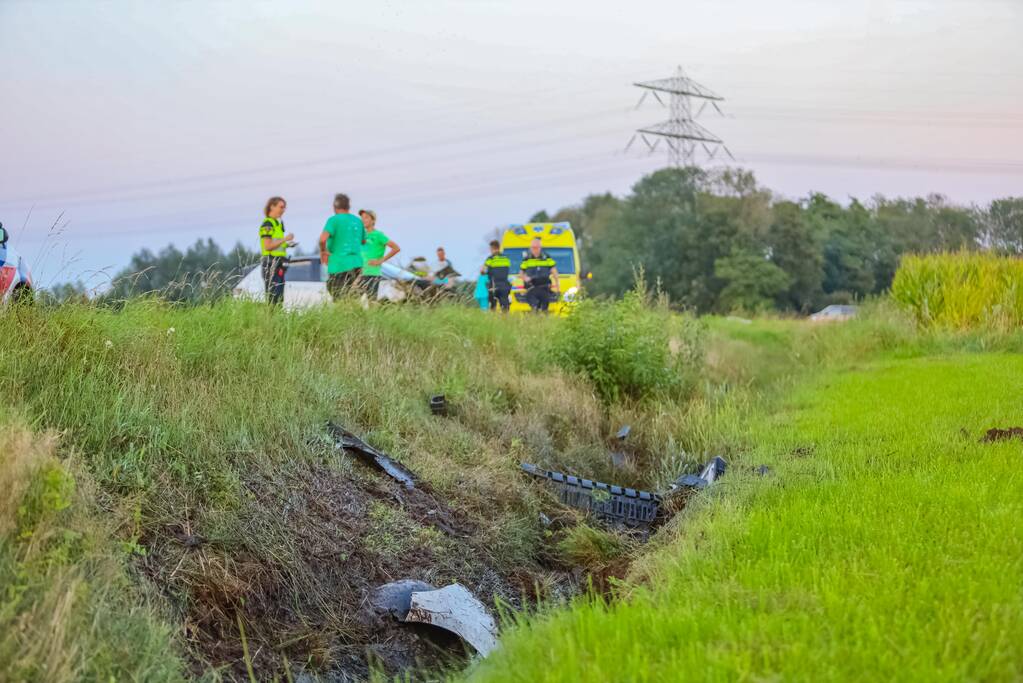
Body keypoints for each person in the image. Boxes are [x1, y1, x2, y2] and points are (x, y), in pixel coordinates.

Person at [319, 193, 365, 301]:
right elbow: (363, 241)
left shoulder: (334, 220)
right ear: (348, 206)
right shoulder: (358, 221)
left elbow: (322, 239)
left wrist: (323, 252)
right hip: (357, 265)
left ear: (335, 206)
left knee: (339, 298)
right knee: (352, 300)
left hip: (339, 265)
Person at [259, 196, 294, 306]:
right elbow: (267, 246)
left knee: (279, 299)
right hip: (270, 264)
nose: (283, 210)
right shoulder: (268, 224)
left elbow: (277, 244)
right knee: (273, 298)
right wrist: (285, 239)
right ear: (272, 206)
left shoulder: (278, 224)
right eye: (281, 207)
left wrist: (286, 244)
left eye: (284, 208)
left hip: (279, 264)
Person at [358, 209, 400, 299]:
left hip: (372, 274)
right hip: (359, 274)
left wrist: (381, 260)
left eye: (366, 217)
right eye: (362, 218)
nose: (363, 220)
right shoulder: (361, 235)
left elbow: (396, 248)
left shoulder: (378, 235)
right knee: (352, 299)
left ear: (373, 220)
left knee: (371, 301)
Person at [519, 237, 559, 313]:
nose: (534, 249)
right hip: (532, 288)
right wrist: (525, 278)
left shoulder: (547, 257)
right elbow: (521, 273)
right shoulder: (527, 259)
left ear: (540, 248)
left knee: (545, 309)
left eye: (536, 247)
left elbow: (554, 272)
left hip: (544, 287)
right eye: (533, 248)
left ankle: (543, 322)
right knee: (535, 307)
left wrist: (557, 285)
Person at [481, 239, 511, 311]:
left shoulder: (490, 259)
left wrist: (484, 272)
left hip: (494, 285)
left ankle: (493, 320)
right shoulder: (506, 258)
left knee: (492, 306)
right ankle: (505, 320)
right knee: (505, 306)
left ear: (492, 248)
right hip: (505, 285)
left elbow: (483, 270)